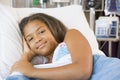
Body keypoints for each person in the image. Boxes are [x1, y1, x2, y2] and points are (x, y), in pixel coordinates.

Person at [6, 13, 93, 80]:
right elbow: (16, 73)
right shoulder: (40, 63)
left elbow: (82, 71)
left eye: (41, 32)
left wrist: (33, 72)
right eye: (30, 39)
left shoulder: (71, 35)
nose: (37, 40)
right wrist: (26, 54)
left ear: (53, 28)